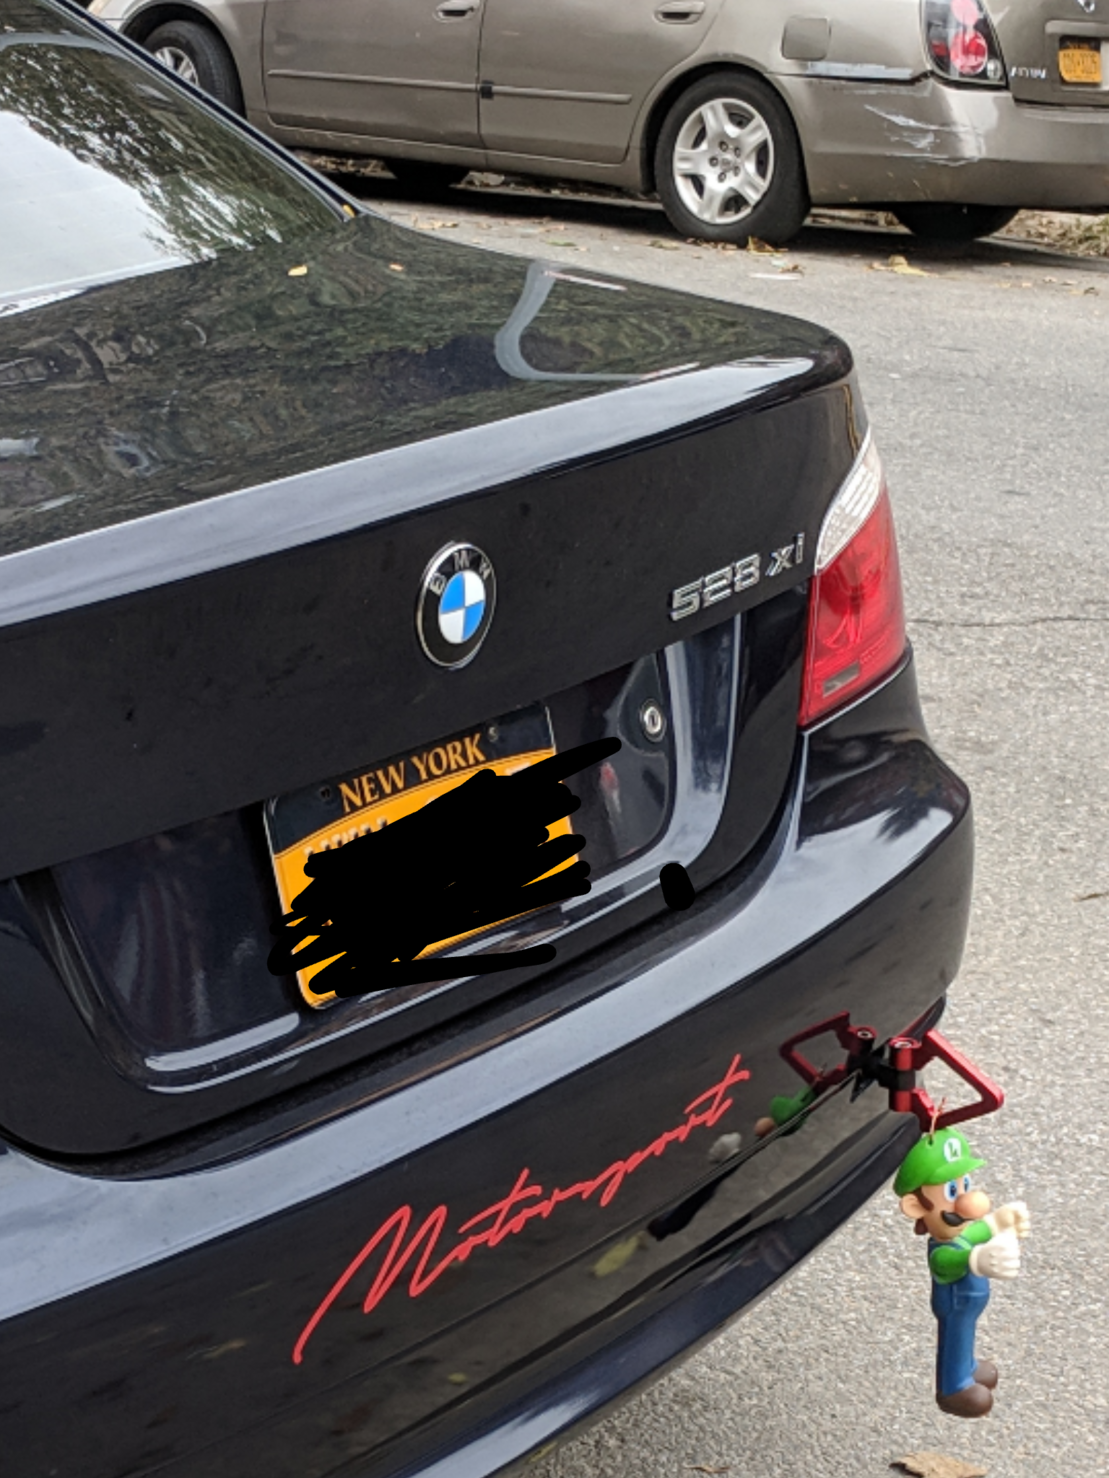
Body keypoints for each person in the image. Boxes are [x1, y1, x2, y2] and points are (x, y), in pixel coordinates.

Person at [893, 1126, 1030, 1417]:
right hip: (955, 1304)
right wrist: (978, 1259)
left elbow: (975, 1231)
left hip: (969, 1303)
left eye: (964, 1185)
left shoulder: (959, 1234)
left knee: (965, 1335)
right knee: (956, 1335)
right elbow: (951, 1262)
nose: (968, 1201)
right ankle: (954, 1387)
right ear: (916, 1206)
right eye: (952, 1192)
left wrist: (999, 1221)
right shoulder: (942, 1250)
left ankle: (967, 1368)